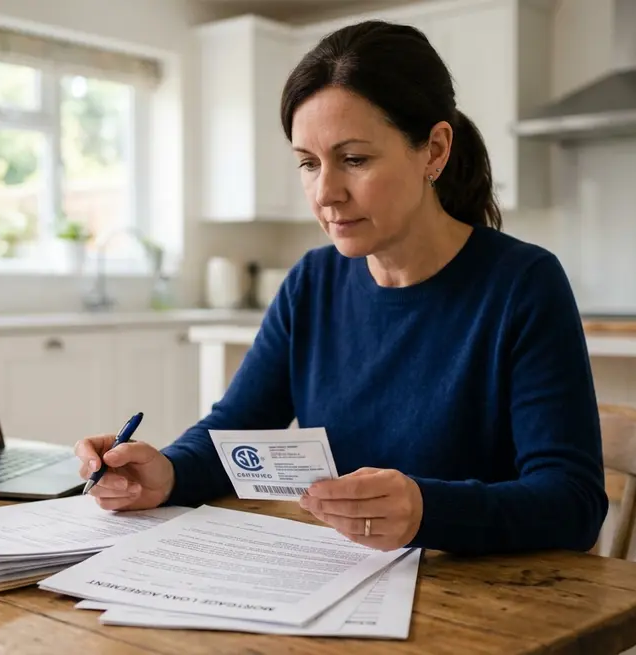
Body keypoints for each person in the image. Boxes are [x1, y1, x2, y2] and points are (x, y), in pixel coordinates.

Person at [74, 20, 608, 556]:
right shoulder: (312, 281)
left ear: (434, 151)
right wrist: (165, 472)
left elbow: (573, 503)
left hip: (487, 603)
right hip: (339, 586)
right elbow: (235, 433)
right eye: (309, 163)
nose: (326, 193)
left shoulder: (524, 285)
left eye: (354, 160)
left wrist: (427, 509)